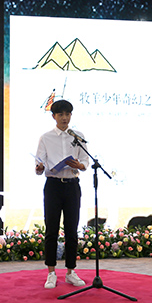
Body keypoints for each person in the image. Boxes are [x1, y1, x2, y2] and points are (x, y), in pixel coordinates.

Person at [35, 99, 89, 289]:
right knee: (51, 229)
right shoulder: (46, 137)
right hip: (53, 186)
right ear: (54, 117)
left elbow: (85, 161)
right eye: (61, 114)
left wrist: (79, 165)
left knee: (72, 230)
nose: (64, 118)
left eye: (67, 114)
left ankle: (71, 272)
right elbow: (39, 164)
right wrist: (39, 167)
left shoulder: (78, 136)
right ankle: (51, 273)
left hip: (72, 185)